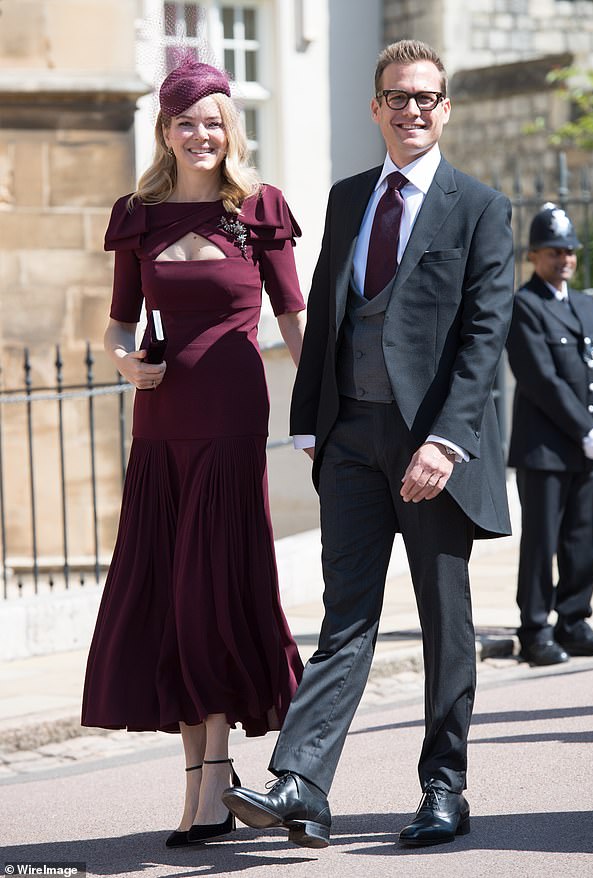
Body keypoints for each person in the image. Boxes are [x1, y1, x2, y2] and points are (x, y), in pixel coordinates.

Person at [223, 39, 514, 849]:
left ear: (445, 108)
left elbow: (485, 338)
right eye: (397, 97)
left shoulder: (479, 206)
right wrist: (313, 422)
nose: (412, 110)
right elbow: (326, 310)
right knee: (345, 617)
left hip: (431, 450)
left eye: (426, 97)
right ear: (376, 107)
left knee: (443, 624)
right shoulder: (350, 197)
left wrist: (448, 442)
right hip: (350, 437)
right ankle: (302, 784)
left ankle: (444, 787)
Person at [81, 59, 305, 847]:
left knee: (211, 594)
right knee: (171, 602)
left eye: (214, 120)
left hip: (233, 423)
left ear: (229, 127)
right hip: (160, 428)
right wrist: (120, 359)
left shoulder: (258, 210)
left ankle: (213, 788)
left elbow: (295, 320)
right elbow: (117, 321)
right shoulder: (136, 215)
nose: (201, 134)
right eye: (186, 122)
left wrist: (316, 420)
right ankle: (201, 784)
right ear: (165, 131)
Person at [506, 203, 593, 666]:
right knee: (541, 541)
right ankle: (535, 630)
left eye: (570, 251)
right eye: (554, 251)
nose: (565, 259)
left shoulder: (586, 305)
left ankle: (573, 621)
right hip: (546, 448)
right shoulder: (524, 305)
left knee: (583, 537)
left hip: (591, 446)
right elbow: (541, 379)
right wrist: (586, 429)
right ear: (533, 256)